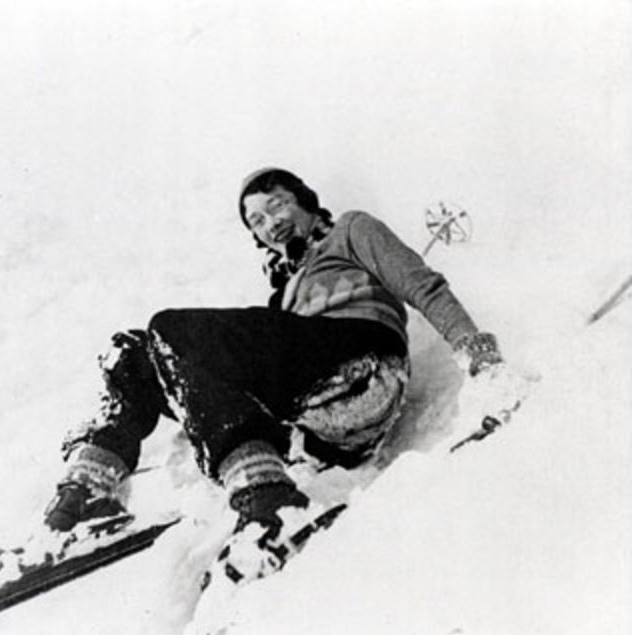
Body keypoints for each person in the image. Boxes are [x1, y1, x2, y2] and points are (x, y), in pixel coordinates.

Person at [43, 167, 508, 552]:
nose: (270, 223)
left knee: (173, 329)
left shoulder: (351, 230)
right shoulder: (282, 298)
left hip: (363, 359)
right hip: (319, 419)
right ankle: (87, 491)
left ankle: (265, 493)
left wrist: (482, 358)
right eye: (257, 221)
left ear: (305, 201)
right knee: (133, 352)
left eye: (277, 204)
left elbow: (423, 285)